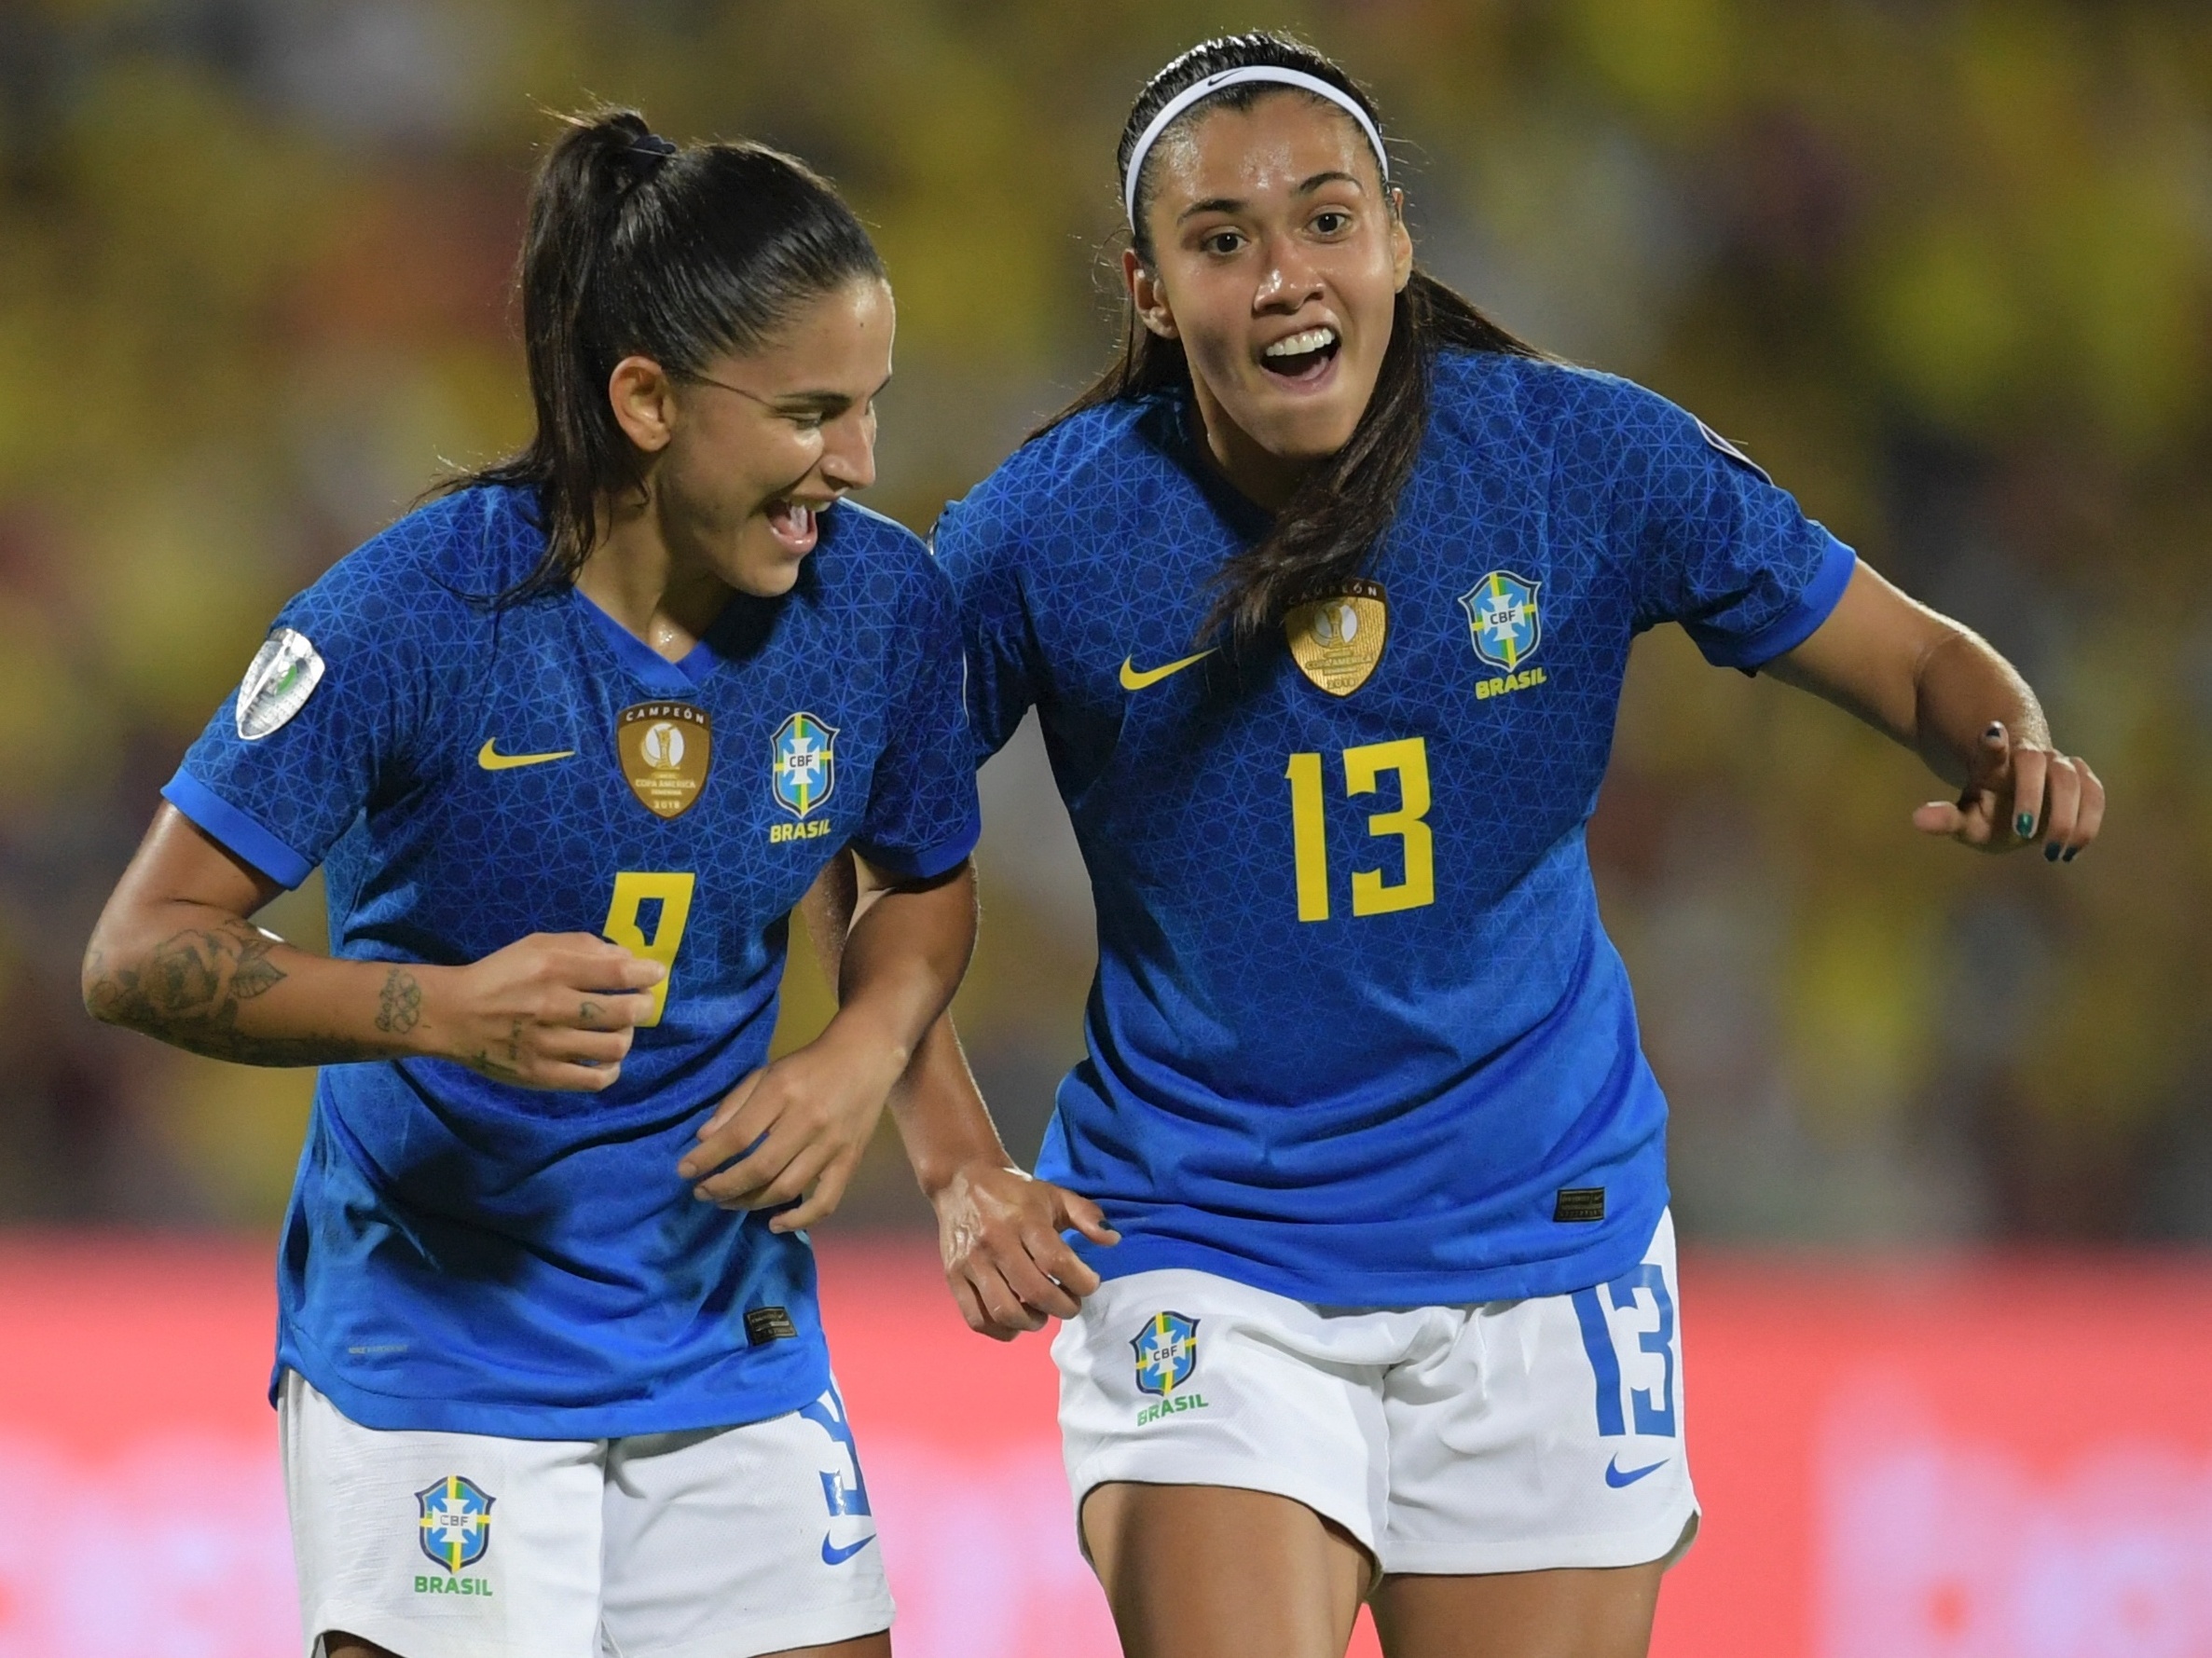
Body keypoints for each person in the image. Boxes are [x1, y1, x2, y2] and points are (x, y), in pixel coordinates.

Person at [831, 32, 2105, 1658]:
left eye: (1325, 220)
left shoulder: (1581, 460)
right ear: (1149, 290)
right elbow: (860, 839)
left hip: (1540, 1240)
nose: (1285, 276)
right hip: (1202, 1246)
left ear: (1397, 239)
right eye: (1221, 242)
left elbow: (1919, 659)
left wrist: (2009, 749)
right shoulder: (1045, 533)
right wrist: (952, 1166)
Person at [82, 108, 980, 1658]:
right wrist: (434, 1009)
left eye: (870, 407)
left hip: (724, 1321)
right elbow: (138, 949)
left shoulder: (877, 601)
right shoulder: (416, 614)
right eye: (812, 413)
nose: (857, 463)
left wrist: (862, 1051)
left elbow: (916, 881)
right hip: (439, 1342)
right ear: (645, 399)